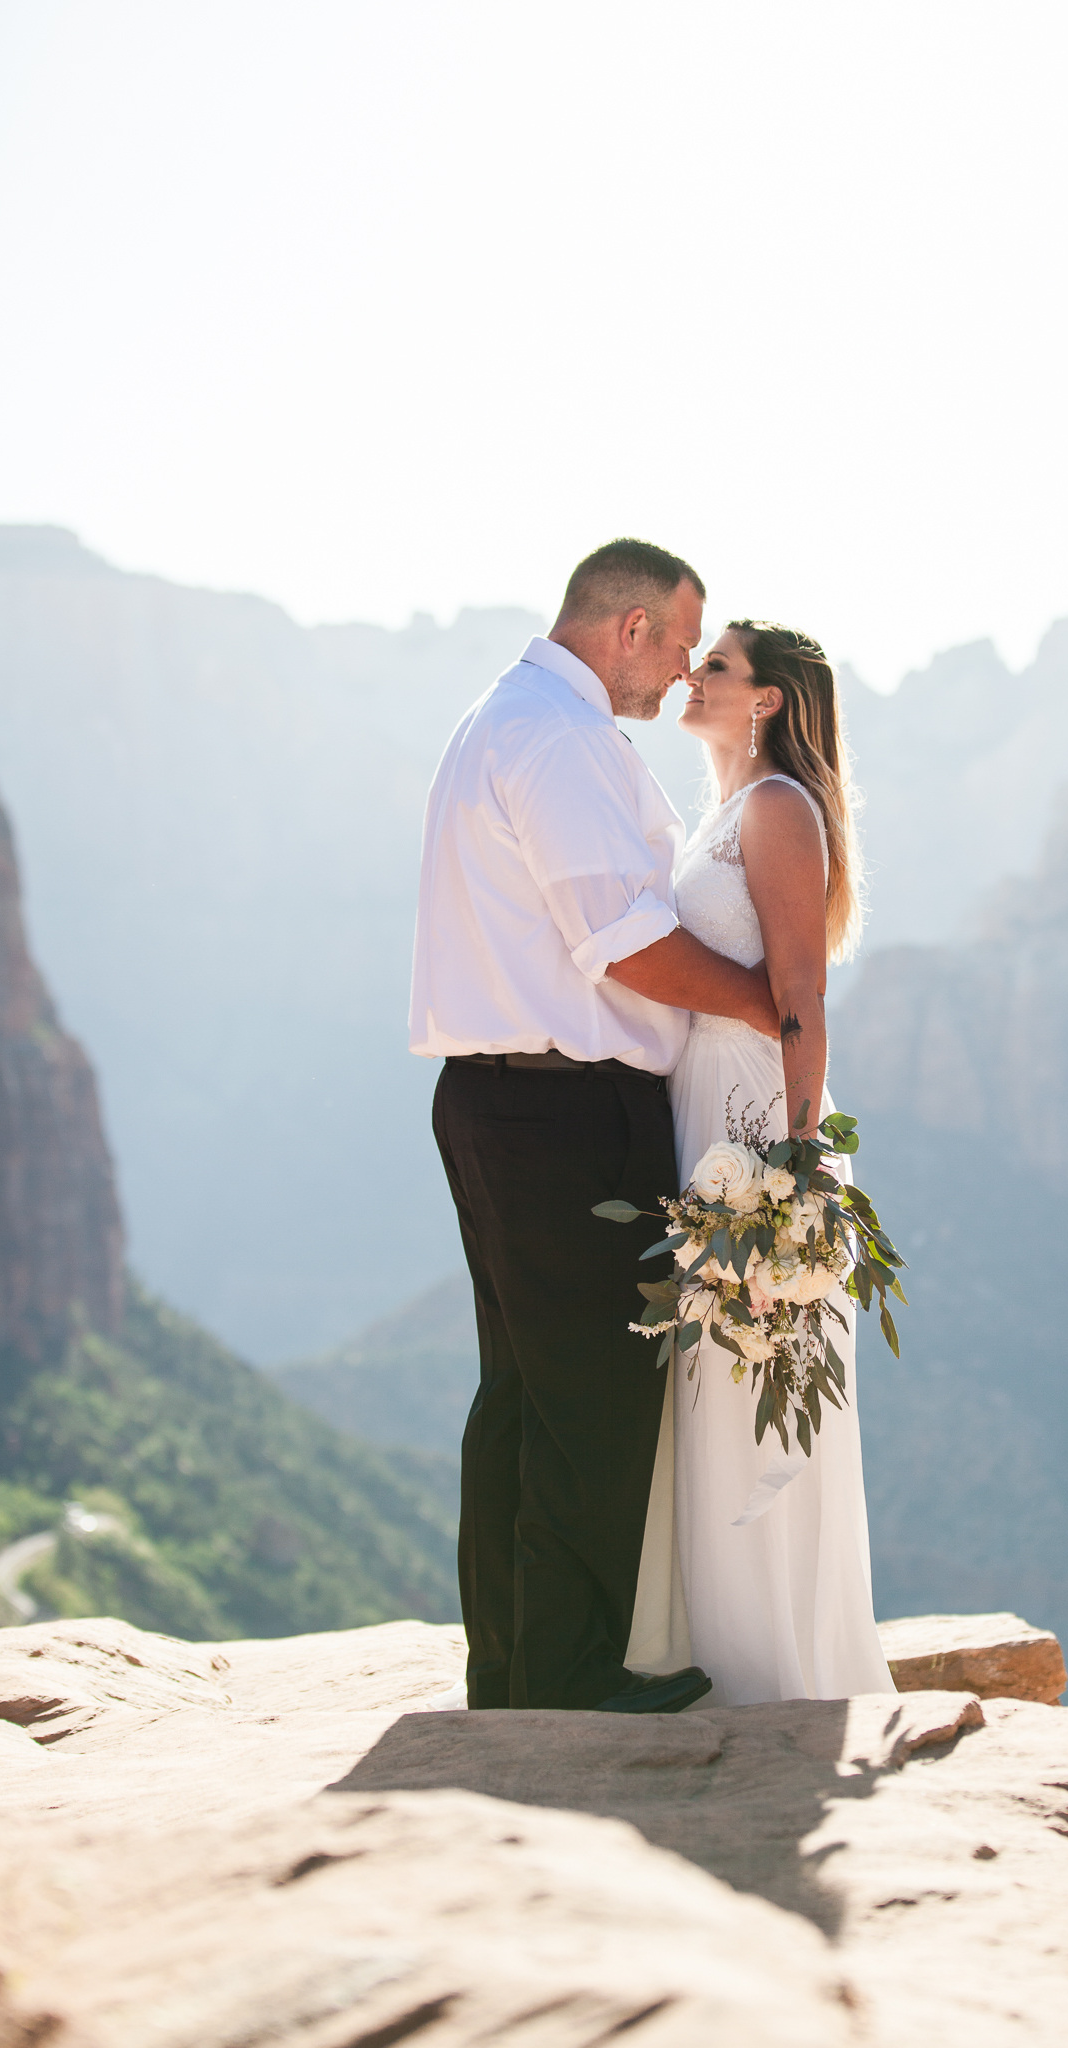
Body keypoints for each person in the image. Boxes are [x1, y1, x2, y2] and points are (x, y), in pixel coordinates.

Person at [409, 539, 778, 1714]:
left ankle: (516, 1672)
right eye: (678, 643)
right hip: (563, 1108)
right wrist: (773, 1010)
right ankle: (566, 1680)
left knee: (523, 1395)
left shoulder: (506, 716)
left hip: (504, 1096)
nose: (680, 674)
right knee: (592, 1399)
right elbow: (625, 941)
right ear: (628, 629)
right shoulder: (559, 740)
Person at [626, 620, 895, 1704]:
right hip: (699, 1109)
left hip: (751, 1117)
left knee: (750, 1369)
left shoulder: (778, 809)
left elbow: (802, 993)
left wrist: (794, 1172)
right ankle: (703, 1640)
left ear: (768, 700)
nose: (694, 676)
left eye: (718, 666)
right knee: (707, 1377)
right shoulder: (722, 814)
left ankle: (769, 1667)